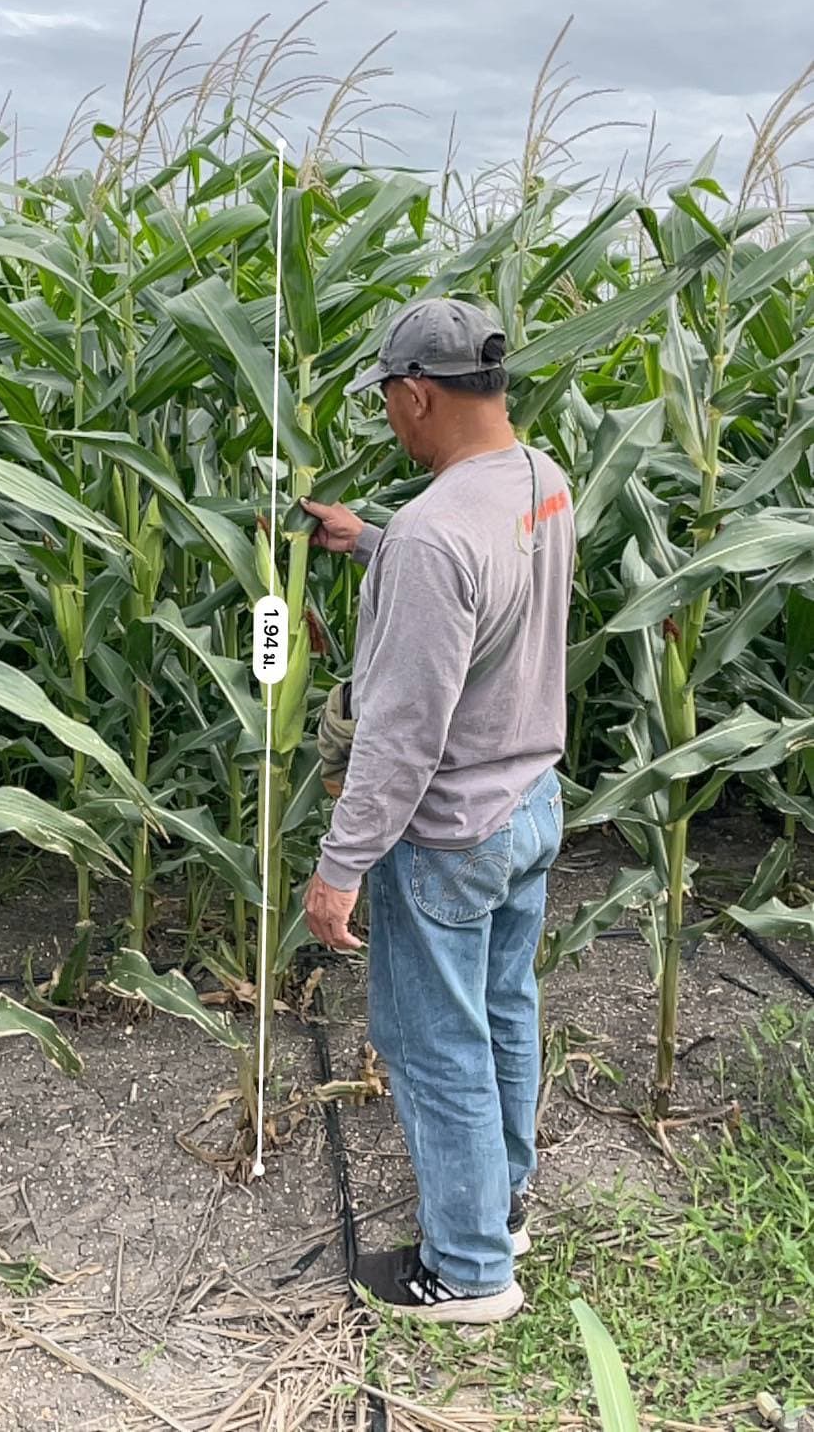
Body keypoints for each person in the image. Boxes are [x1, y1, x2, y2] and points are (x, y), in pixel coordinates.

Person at [301, 296, 575, 1325]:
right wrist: (374, 541)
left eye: (388, 401)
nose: (389, 420)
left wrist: (340, 866)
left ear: (417, 392)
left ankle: (466, 1271)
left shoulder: (432, 535)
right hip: (529, 804)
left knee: (433, 1040)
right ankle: (497, 1207)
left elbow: (401, 732)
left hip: (451, 831)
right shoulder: (542, 481)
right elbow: (487, 590)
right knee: (503, 1012)